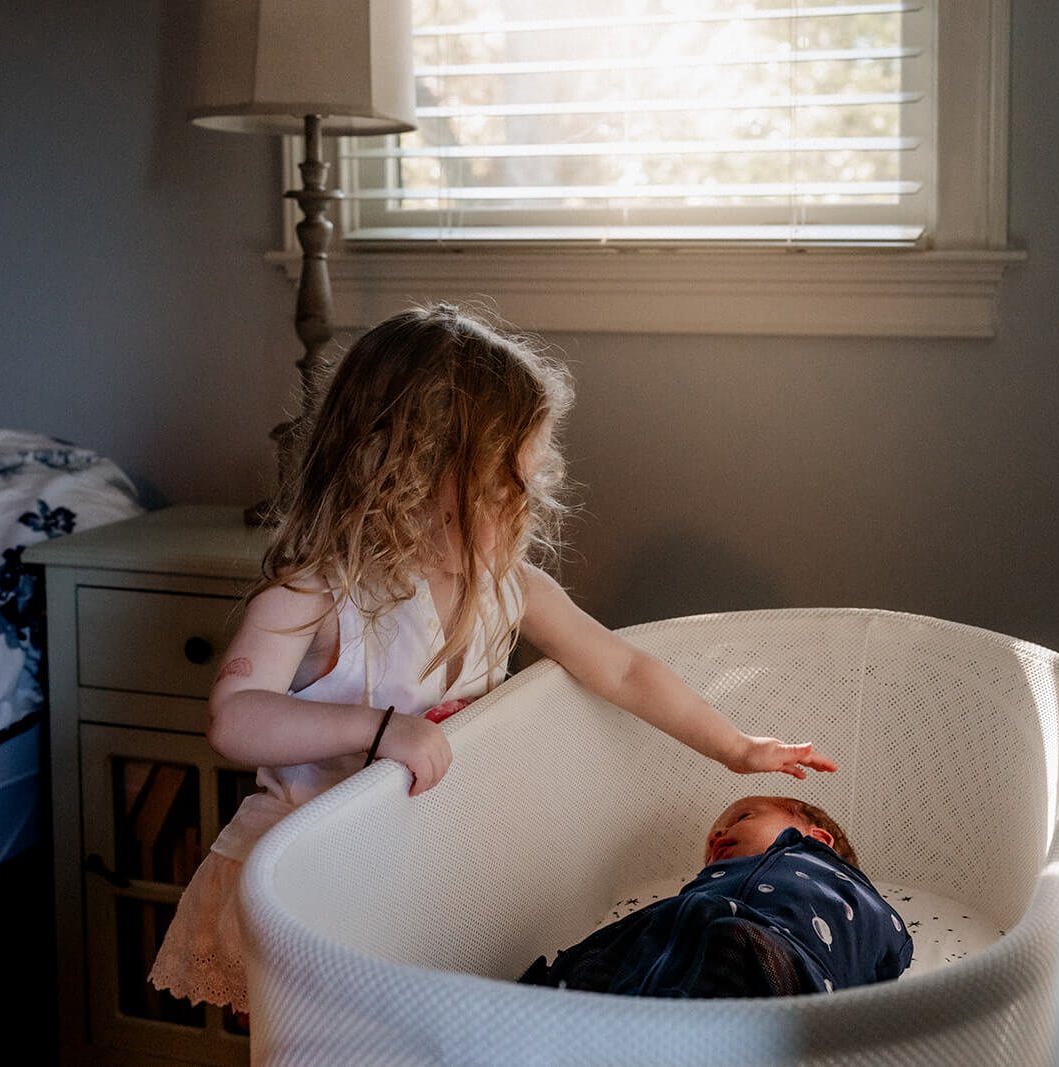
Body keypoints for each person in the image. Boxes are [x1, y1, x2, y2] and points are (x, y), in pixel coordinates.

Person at [147, 303, 838, 1015]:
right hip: (322, 885)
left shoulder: (511, 589)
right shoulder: (318, 590)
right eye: (510, 487)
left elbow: (624, 669)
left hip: (427, 870)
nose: (531, 506)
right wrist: (379, 727)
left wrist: (734, 745)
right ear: (411, 478)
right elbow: (234, 717)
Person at [518, 795, 912, 998]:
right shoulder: (703, 894)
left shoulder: (854, 897)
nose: (717, 837)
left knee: (732, 940)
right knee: (596, 963)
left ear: (817, 838)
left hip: (771, 963)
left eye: (742, 817)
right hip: (660, 965)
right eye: (710, 843)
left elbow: (882, 965)